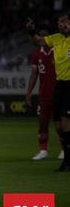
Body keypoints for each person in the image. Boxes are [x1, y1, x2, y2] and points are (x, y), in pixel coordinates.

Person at [27, 13, 70, 171]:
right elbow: (38, 41)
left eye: (65, 22)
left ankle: (67, 159)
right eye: (60, 22)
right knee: (58, 124)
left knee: (66, 123)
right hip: (59, 85)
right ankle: (65, 156)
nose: (62, 24)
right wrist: (31, 31)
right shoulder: (56, 38)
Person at [25, 25, 63, 160]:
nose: (42, 38)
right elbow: (34, 74)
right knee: (42, 122)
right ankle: (43, 150)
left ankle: (64, 149)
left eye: (45, 35)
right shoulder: (36, 54)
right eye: (40, 35)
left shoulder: (57, 50)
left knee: (60, 124)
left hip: (59, 93)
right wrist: (29, 92)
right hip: (43, 95)